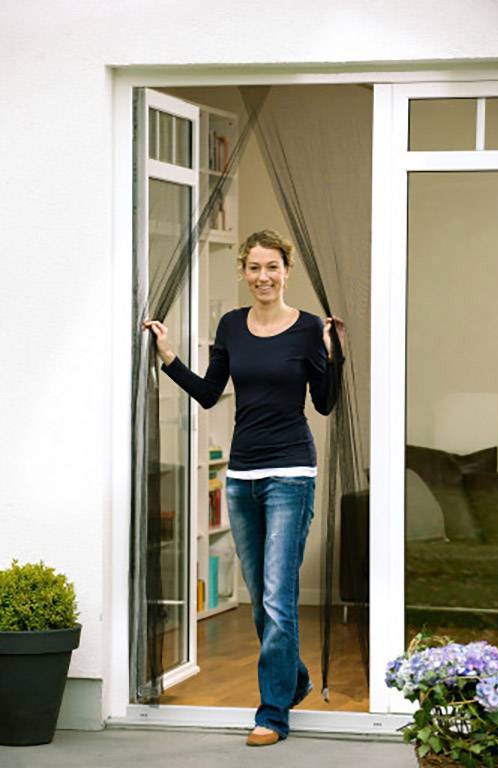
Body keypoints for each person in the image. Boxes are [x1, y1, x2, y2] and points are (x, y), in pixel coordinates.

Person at [143, 229, 345, 747]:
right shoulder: (231, 325)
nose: (263, 276)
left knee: (279, 598)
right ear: (243, 271)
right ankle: (293, 679)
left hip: (291, 475)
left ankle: (272, 714)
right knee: (260, 599)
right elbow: (210, 395)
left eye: (272, 267)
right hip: (240, 477)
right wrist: (168, 358)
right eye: (254, 267)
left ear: (286, 270)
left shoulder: (305, 330)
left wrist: (333, 354)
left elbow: (323, 404)